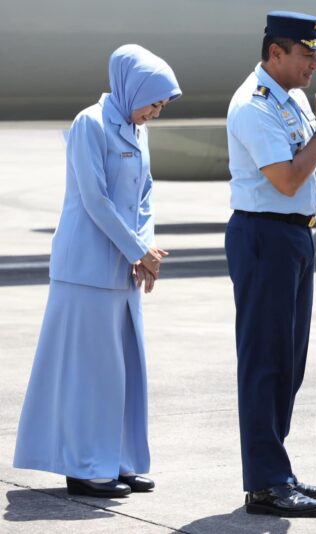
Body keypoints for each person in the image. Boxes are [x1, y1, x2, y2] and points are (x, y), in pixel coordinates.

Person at [13, 44, 181, 498]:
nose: (155, 113)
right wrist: (138, 251)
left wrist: (145, 249)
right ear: (132, 90)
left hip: (123, 271)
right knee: (90, 374)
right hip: (86, 271)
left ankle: (118, 461)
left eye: (161, 106)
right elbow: (95, 199)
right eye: (153, 103)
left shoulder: (136, 128)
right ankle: (86, 467)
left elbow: (145, 194)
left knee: (124, 372)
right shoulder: (90, 123)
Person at [224, 11, 316, 518]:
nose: (313, 65)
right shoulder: (254, 105)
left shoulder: (295, 99)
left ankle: (275, 468)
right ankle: (266, 482)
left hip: (295, 237)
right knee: (265, 360)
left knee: (289, 362)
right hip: (265, 236)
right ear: (275, 53)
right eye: (306, 55)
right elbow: (286, 179)